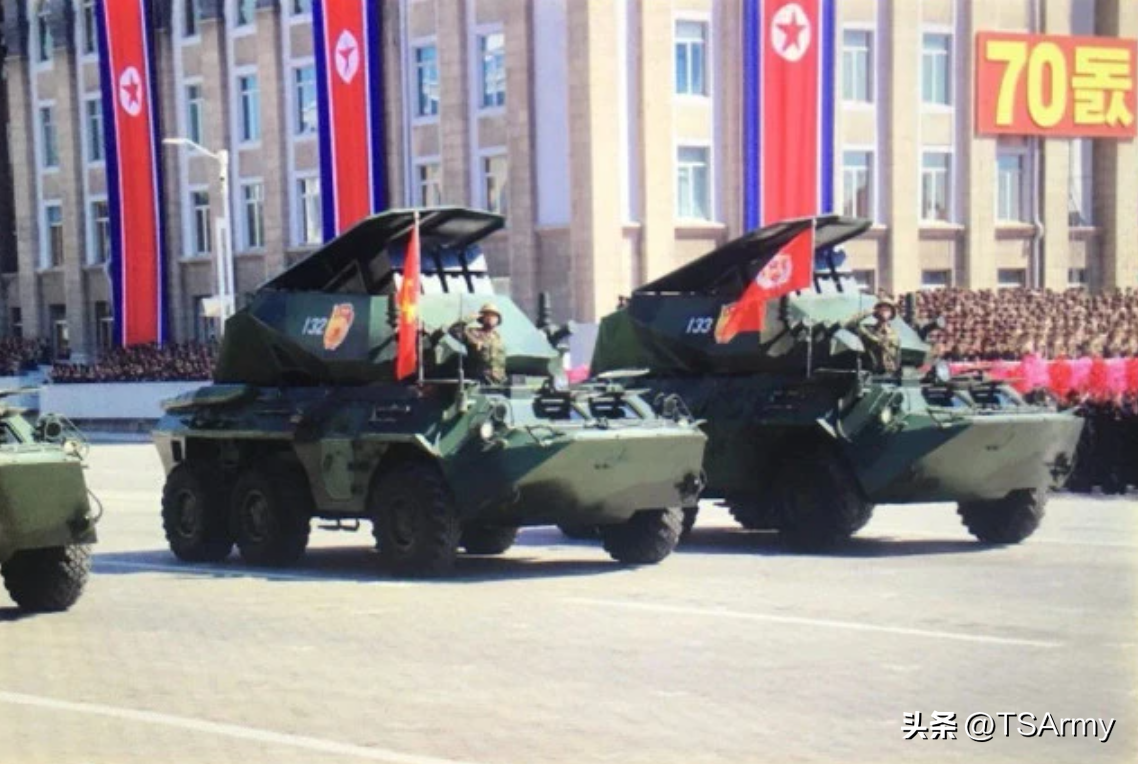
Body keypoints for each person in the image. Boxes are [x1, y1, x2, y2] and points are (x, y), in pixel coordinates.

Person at [453, 303, 507, 385]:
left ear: (498, 319)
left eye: (493, 315)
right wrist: (469, 318)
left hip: (499, 382)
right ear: (481, 318)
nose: (490, 317)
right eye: (487, 315)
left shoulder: (498, 338)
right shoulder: (473, 333)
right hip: (479, 382)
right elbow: (454, 329)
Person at [845, 298, 902, 374]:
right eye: (882, 309)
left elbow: (897, 359)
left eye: (888, 309)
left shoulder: (894, 335)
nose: (885, 311)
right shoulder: (868, 330)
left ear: (891, 314)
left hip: (890, 375)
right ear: (877, 311)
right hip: (872, 374)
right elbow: (850, 323)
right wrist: (870, 311)